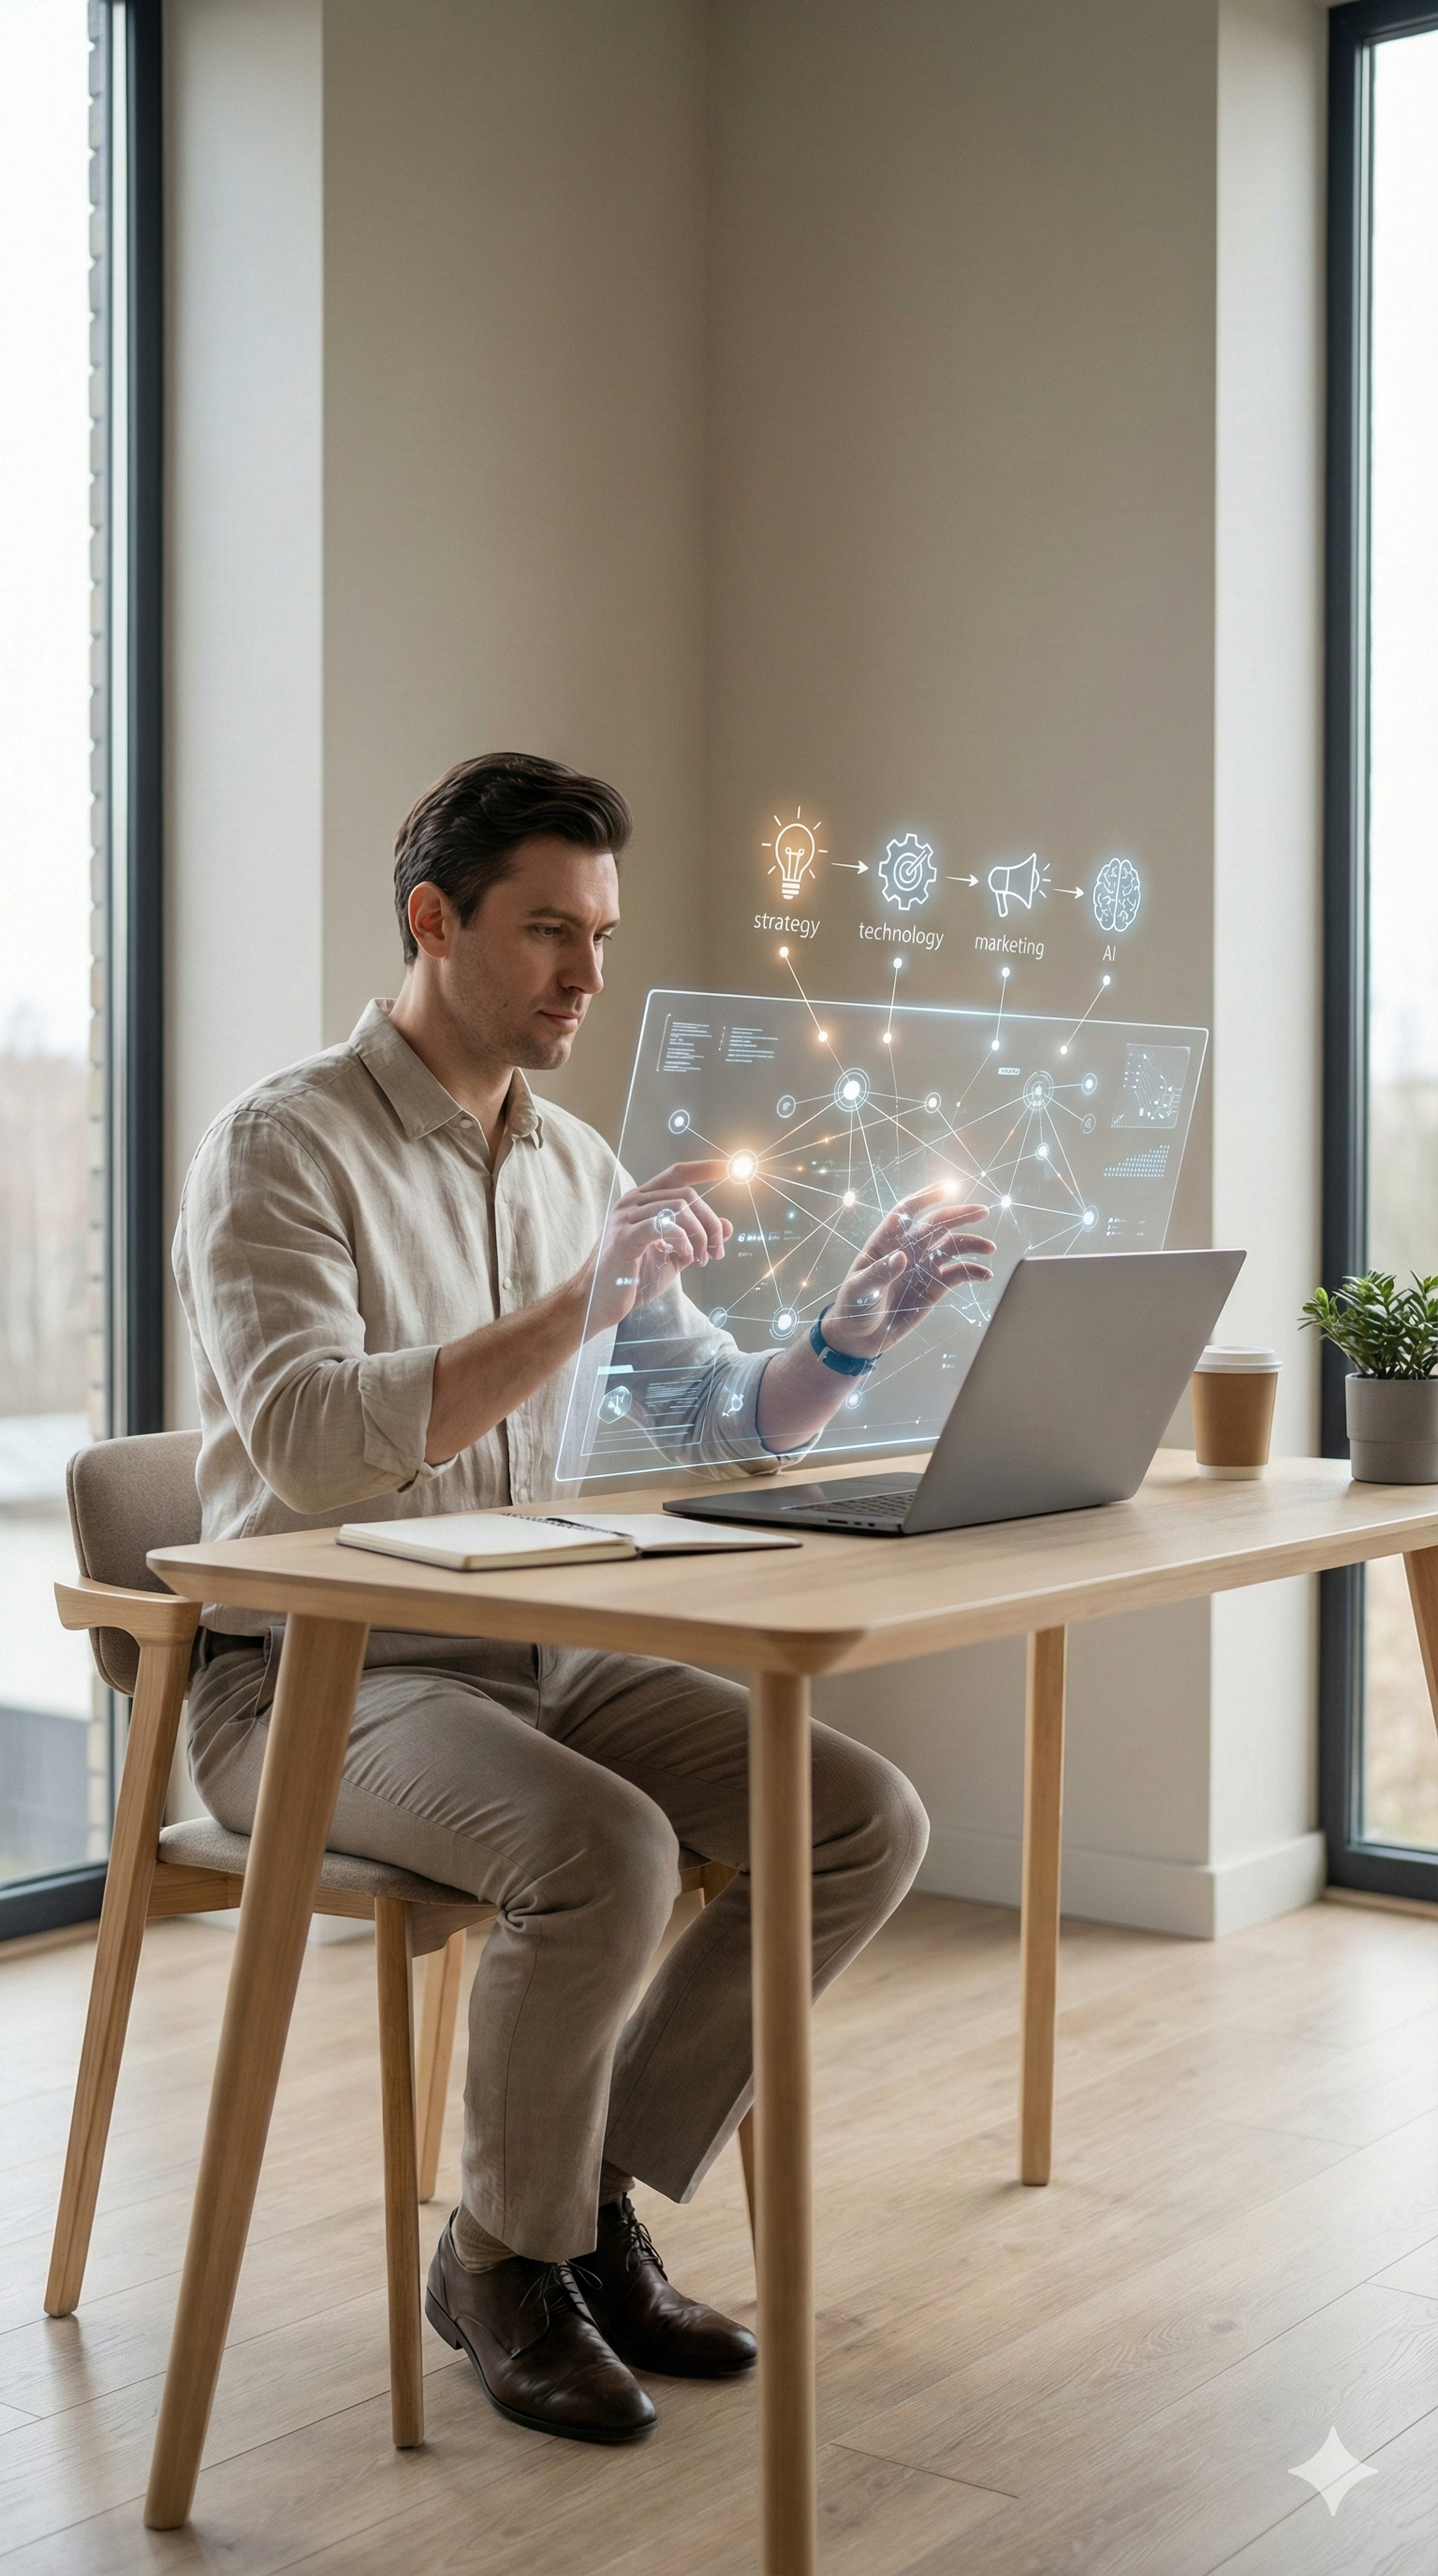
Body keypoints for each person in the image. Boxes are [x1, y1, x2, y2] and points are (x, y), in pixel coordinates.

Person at [175, 752, 994, 2446]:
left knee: (857, 1816)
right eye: (550, 931)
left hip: (534, 1646)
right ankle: (501, 2271)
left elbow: (709, 1409)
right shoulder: (279, 1148)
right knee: (603, 1851)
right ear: (432, 921)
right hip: (314, 1679)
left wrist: (843, 1343)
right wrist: (572, 1308)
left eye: (602, 936)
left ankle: (566, 2212)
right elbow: (320, 1446)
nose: (586, 977)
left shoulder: (573, 1160)